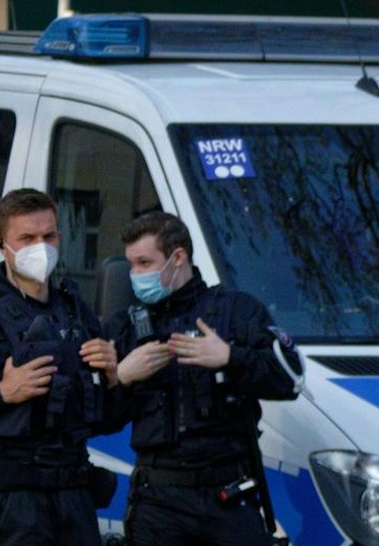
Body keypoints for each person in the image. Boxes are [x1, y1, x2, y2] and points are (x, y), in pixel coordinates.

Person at [103, 211, 305, 545]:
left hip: (227, 496)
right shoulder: (124, 327)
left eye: (144, 263)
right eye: (131, 265)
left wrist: (230, 357)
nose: (135, 275)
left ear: (177, 256)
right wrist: (124, 376)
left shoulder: (236, 310)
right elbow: (98, 419)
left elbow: (290, 379)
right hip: (158, 501)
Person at [0, 188, 122, 546]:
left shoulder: (77, 314)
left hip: (74, 501)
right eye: (27, 238)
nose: (41, 246)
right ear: (0, 242)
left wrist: (114, 378)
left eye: (48, 235)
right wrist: (1, 393)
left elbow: (103, 420)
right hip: (7, 506)